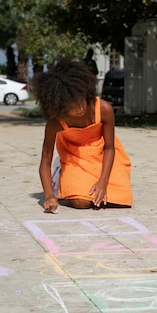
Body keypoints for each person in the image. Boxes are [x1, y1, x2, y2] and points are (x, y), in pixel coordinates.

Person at [34, 57, 132, 213]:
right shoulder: (55, 123)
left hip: (103, 156)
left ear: (84, 92)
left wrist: (103, 182)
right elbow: (44, 162)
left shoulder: (104, 109)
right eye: (71, 106)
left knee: (120, 200)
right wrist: (48, 195)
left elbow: (109, 148)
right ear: (60, 106)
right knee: (82, 202)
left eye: (80, 101)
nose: (79, 108)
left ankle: (86, 183)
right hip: (74, 158)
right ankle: (60, 175)